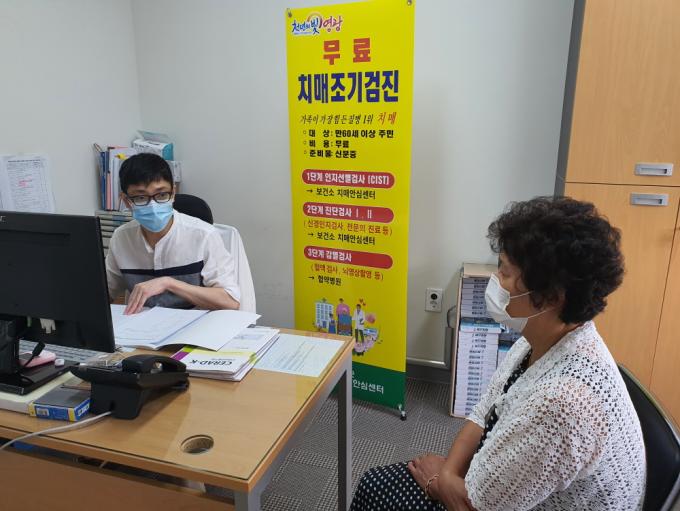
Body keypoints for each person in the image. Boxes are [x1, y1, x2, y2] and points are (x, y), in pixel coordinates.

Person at [351, 197, 646, 510]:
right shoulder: (542, 338)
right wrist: (448, 475)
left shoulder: (562, 405)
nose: (496, 281)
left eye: (504, 272)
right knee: (375, 482)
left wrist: (438, 483)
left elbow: (476, 507)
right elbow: (483, 413)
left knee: (376, 490)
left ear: (550, 297)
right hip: (494, 483)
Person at [106, 153, 240, 314]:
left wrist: (169, 283)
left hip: (194, 324)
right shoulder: (121, 238)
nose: (153, 205)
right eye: (140, 197)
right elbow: (104, 292)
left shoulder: (203, 235)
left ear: (173, 193)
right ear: (126, 201)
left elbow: (230, 301)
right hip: (140, 325)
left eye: (162, 195)